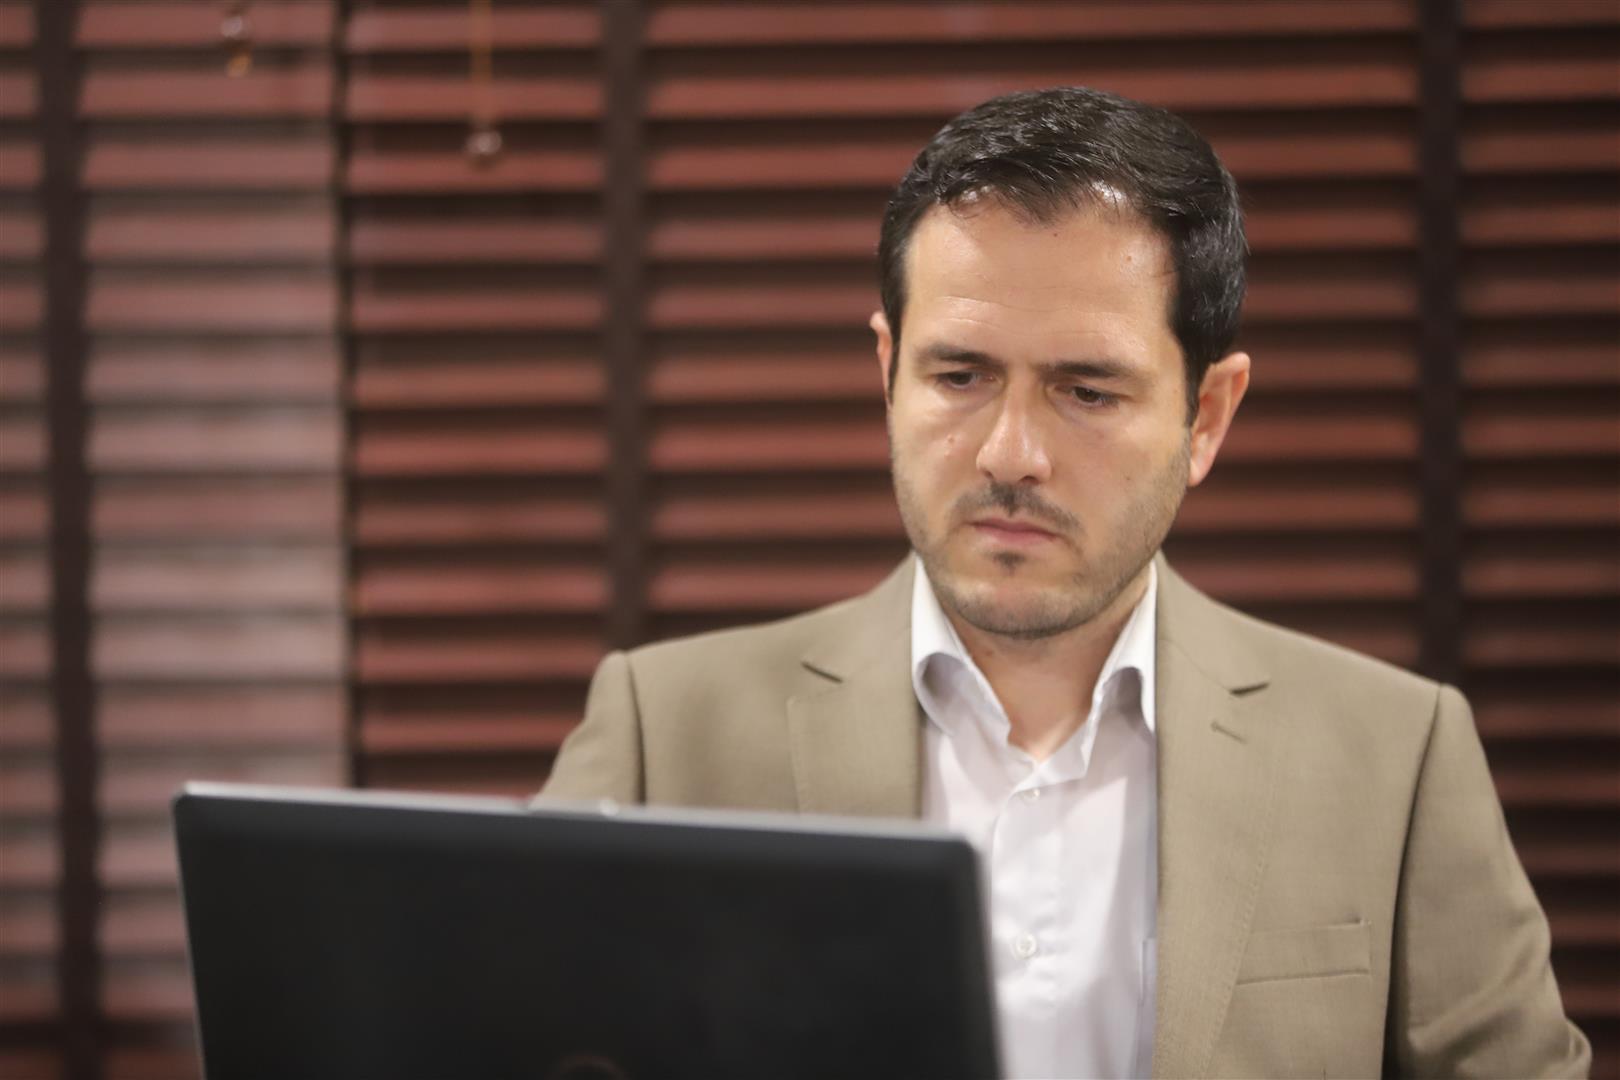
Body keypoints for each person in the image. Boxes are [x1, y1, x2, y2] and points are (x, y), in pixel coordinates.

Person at [539, 87, 1589, 1079]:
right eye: (959, 376)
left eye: (1086, 391)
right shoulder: (663, 735)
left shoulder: (1394, 759)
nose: (1011, 455)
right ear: (887, 373)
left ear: (1207, 418)